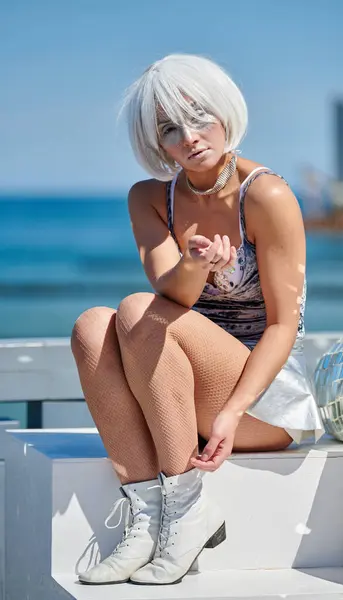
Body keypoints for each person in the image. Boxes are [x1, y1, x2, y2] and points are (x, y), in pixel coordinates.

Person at [71, 53, 324, 587]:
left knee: (136, 310)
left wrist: (232, 413)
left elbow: (284, 327)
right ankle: (145, 520)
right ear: (154, 141)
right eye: (169, 128)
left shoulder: (268, 194)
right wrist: (195, 264)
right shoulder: (150, 198)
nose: (190, 136)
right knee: (93, 325)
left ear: (225, 110)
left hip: (262, 401)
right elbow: (172, 292)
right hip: (185, 389)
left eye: (200, 115)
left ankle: (188, 513)